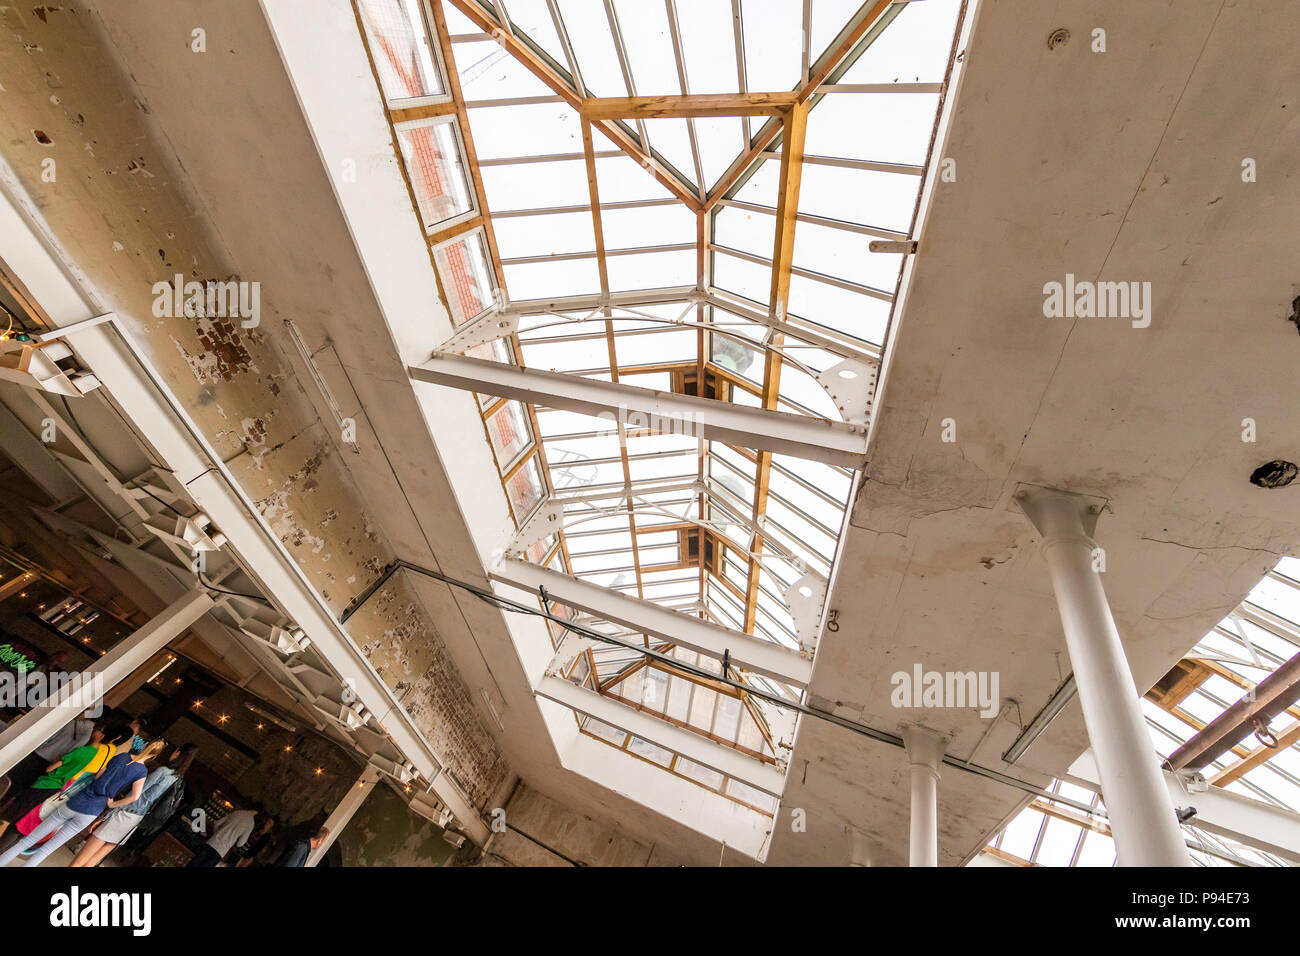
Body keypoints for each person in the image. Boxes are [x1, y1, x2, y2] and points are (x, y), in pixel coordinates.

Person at [0, 738, 165, 867]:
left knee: (27, 840)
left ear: (145, 746)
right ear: (155, 756)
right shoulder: (141, 771)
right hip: (92, 811)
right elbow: (135, 797)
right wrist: (112, 804)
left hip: (76, 801)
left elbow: (99, 775)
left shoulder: (121, 756)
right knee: (46, 849)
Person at [70, 742, 197, 868]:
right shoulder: (177, 780)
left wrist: (111, 808)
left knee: (80, 860)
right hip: (135, 820)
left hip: (125, 812)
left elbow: (135, 795)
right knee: (91, 863)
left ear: (178, 754)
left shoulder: (163, 771)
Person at [0, 722, 119, 844]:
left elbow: (49, 769)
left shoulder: (82, 751)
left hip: (45, 783)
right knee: (20, 815)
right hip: (55, 786)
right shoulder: (93, 753)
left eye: (98, 729)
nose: (94, 731)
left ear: (101, 735)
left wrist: (57, 760)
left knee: (9, 815)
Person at [187, 802, 263, 867]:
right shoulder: (251, 823)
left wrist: (217, 834)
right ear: (258, 812)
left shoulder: (238, 812)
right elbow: (240, 843)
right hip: (221, 850)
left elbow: (217, 824)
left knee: (193, 863)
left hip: (212, 842)